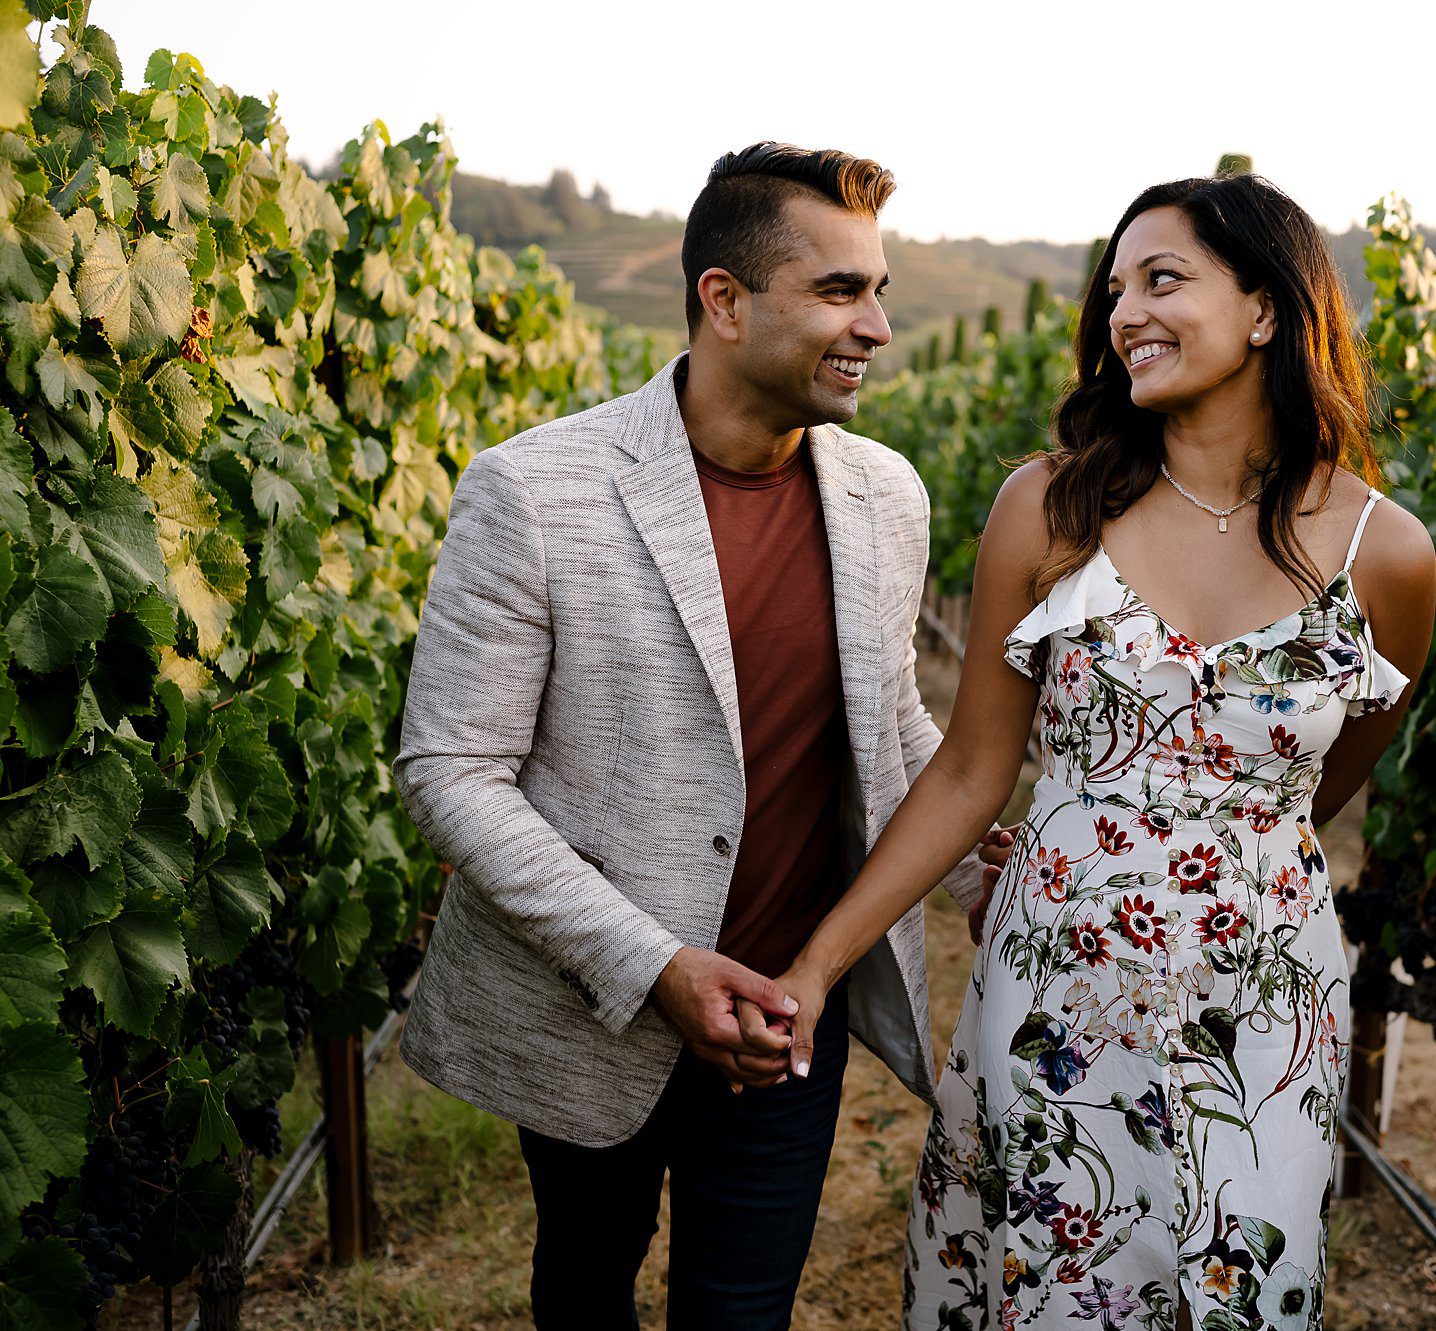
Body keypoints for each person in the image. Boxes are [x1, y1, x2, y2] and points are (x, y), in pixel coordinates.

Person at [747, 173, 1436, 1330]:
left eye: (1161, 279)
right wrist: (815, 966)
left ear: (1266, 308)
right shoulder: (1049, 508)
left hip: (1263, 999)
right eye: (1113, 289)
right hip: (1057, 988)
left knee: (1239, 1290)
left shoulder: (1388, 552)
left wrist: (1215, 857)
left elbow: (1320, 783)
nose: (1124, 313)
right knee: (1052, 1281)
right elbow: (970, 774)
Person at [391, 142, 989, 1330]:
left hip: (784, 1011)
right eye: (838, 291)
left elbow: (886, 723)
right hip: (590, 1004)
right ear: (723, 299)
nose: (874, 325)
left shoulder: (888, 494)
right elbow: (448, 771)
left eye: (879, 292)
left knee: (742, 1312)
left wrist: (986, 855)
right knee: (583, 1285)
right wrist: (652, 966)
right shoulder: (532, 489)